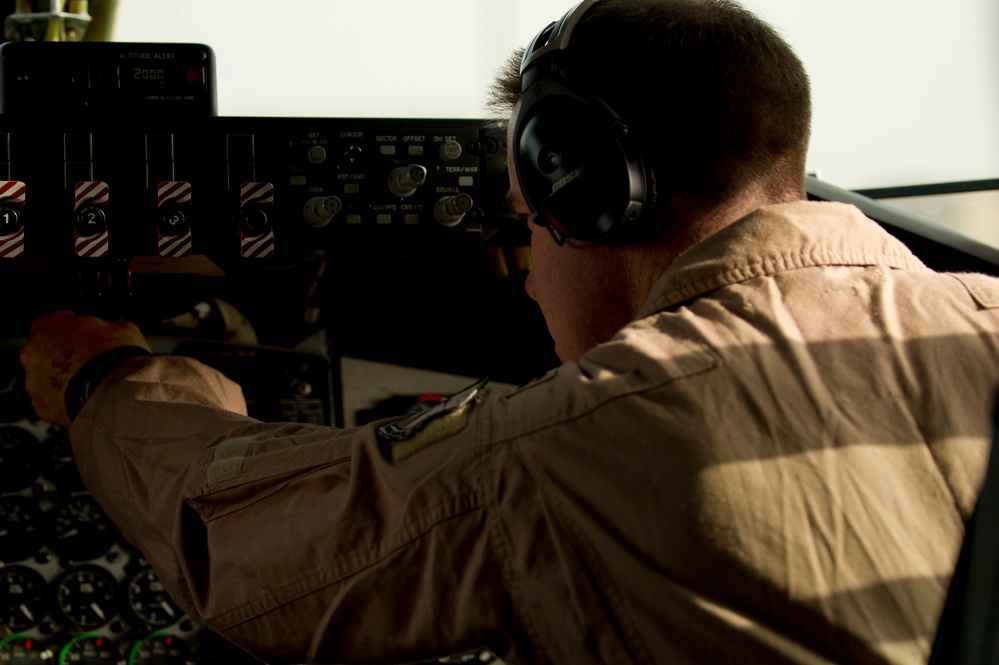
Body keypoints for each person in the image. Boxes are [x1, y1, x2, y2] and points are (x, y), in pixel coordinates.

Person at [19, 0, 999, 663]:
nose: (528, 276)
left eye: (527, 222)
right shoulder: (981, 320)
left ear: (591, 198)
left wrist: (102, 378)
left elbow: (236, 541)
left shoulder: (588, 436)